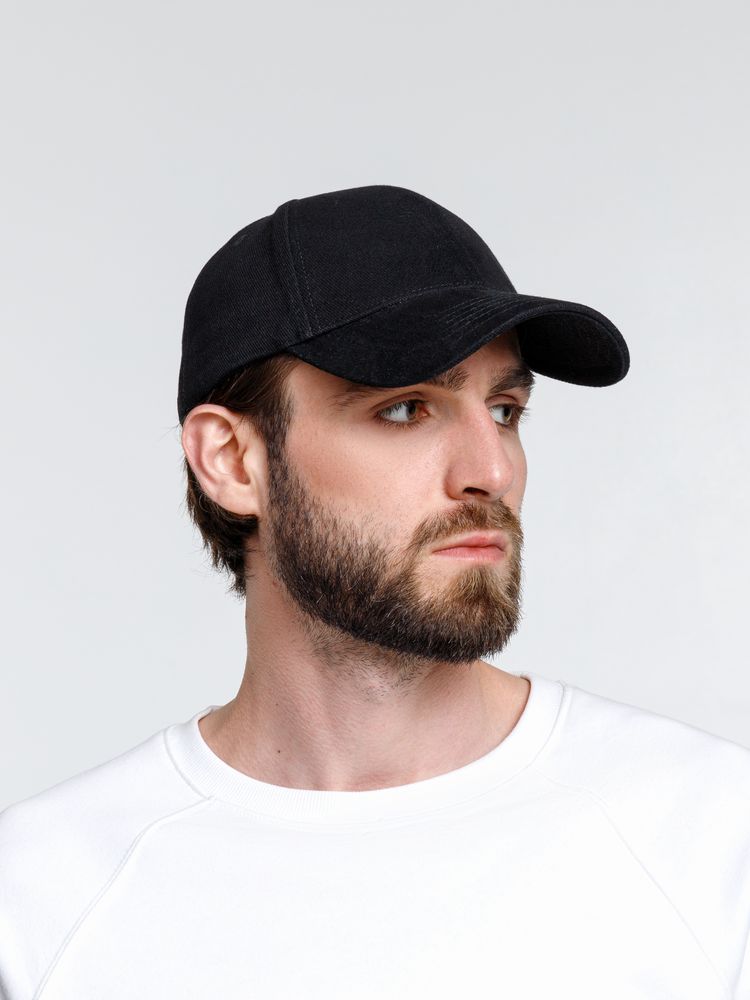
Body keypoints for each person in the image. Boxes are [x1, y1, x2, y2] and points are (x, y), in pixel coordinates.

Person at [1, 184, 748, 999]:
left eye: (505, 410)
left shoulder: (709, 838)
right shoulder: (42, 899)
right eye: (406, 410)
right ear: (232, 462)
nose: (491, 471)